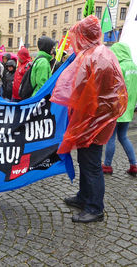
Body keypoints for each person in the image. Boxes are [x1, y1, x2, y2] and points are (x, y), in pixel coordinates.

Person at [51, 15, 128, 223]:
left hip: (94, 121)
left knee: (91, 163)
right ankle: (84, 197)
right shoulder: (98, 54)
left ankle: (95, 208)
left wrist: (85, 121)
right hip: (91, 119)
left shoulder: (96, 56)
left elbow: (89, 91)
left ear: (84, 35)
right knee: (85, 160)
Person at [102, 42, 137, 176]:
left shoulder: (118, 67)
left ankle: (107, 165)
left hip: (116, 109)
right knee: (123, 137)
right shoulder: (135, 67)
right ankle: (134, 164)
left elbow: (111, 88)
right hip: (128, 109)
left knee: (111, 138)